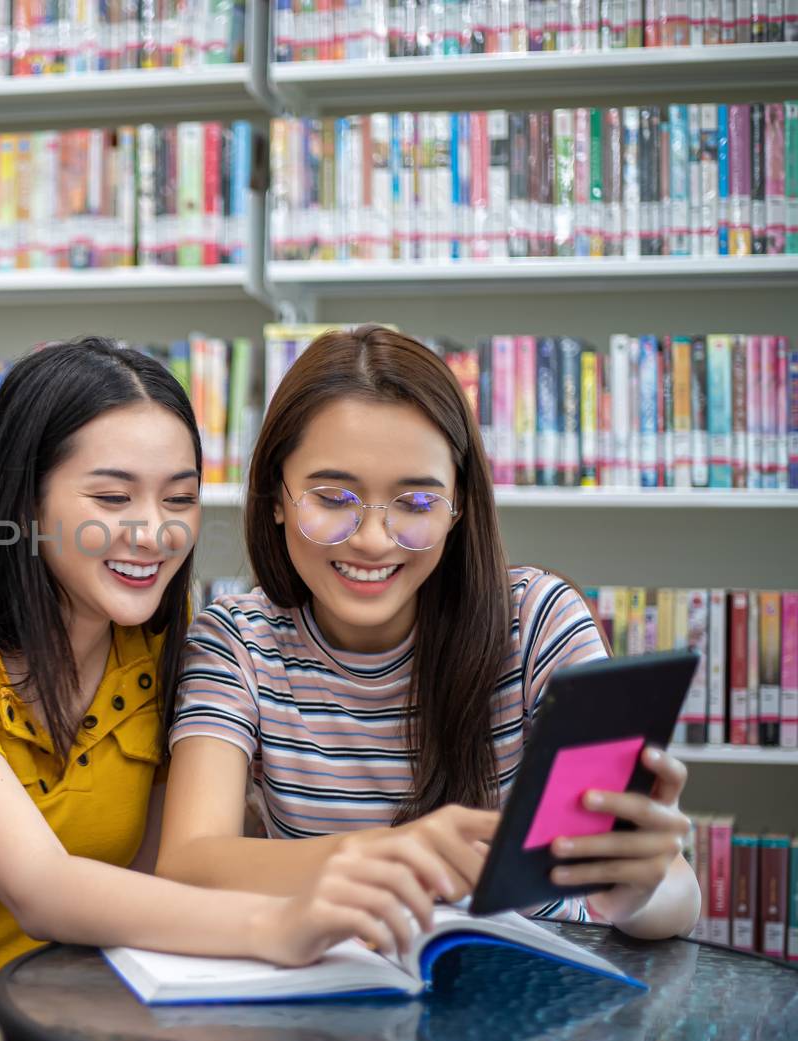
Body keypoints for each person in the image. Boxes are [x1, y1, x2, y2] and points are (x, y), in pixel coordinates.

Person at [0, 337, 486, 1002]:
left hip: (73, 1019)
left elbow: (156, 889)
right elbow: (38, 887)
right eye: (113, 498)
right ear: (26, 505)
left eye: (179, 499)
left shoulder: (161, 646)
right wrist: (278, 921)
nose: (154, 532)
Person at [155, 325, 699, 940]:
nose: (371, 539)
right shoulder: (236, 642)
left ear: (459, 506)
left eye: (415, 504)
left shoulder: (541, 622)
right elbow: (188, 866)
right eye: (333, 497)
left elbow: (676, 900)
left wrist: (644, 883)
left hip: (535, 1003)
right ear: (276, 496)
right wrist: (402, 855)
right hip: (340, 1002)